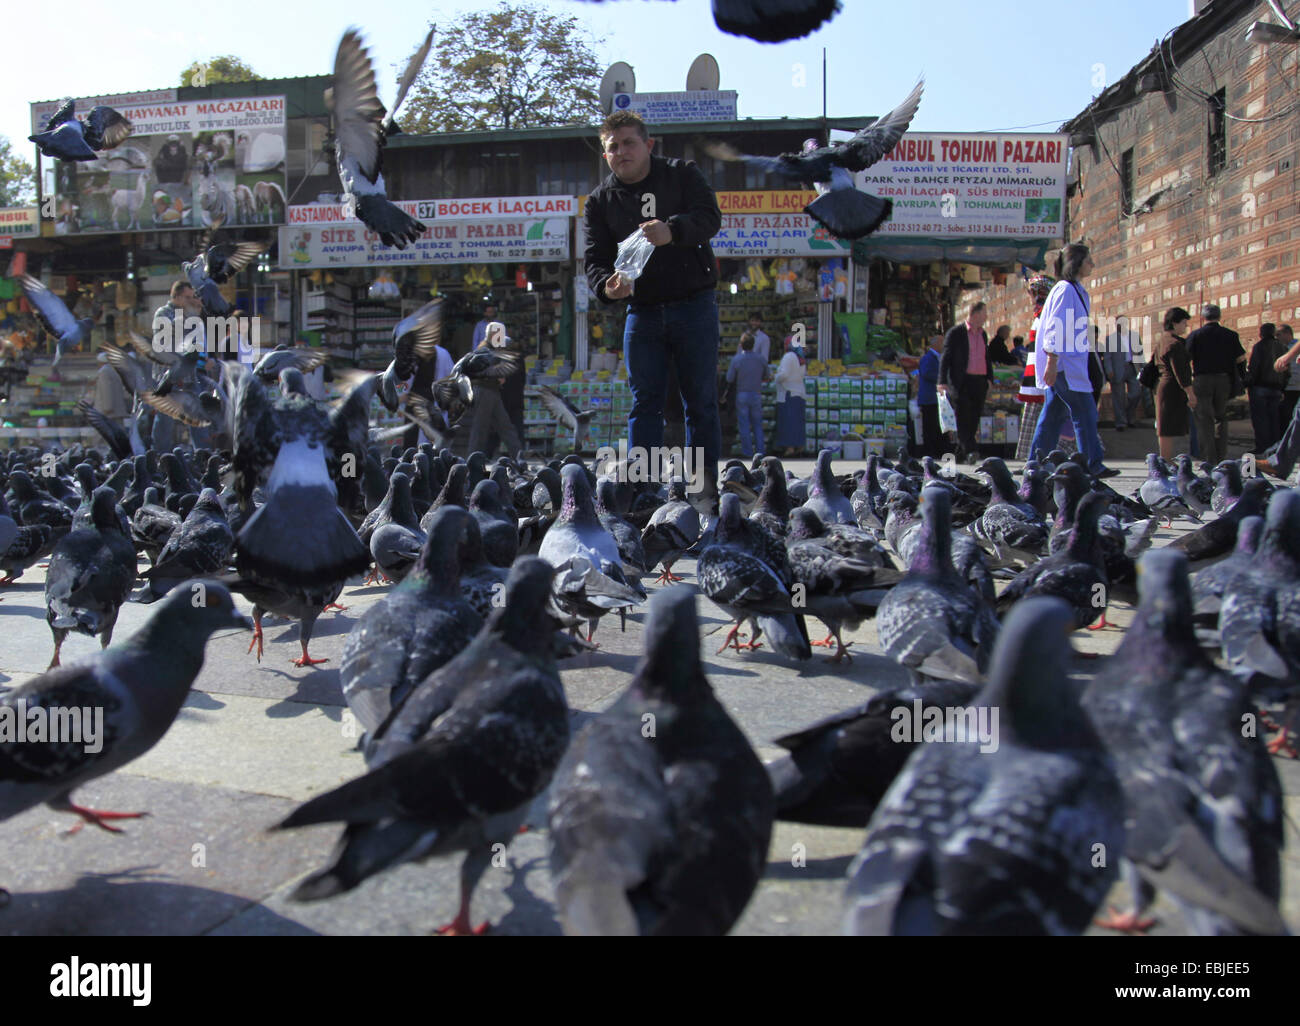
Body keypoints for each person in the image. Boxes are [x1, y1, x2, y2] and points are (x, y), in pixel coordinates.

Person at [584, 108, 723, 503]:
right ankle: (644, 495)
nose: (621, 152)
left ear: (648, 145)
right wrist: (606, 288)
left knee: (699, 401)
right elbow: (594, 259)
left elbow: (710, 218)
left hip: (693, 305)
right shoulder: (599, 201)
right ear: (605, 155)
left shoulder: (682, 174)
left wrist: (673, 230)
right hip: (641, 313)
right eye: (612, 147)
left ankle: (703, 492)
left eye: (629, 143)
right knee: (644, 403)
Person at [1028, 244, 1118, 476]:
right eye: (1089, 260)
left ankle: (1036, 464)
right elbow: (1055, 327)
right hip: (1064, 365)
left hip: (1067, 363)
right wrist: (1052, 362)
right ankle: (1091, 464)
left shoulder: (1075, 290)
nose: (1093, 265)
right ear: (1076, 263)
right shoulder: (1066, 290)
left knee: (1053, 415)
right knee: (1085, 412)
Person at [1185, 303, 1245, 464]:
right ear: (1219, 317)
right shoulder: (1230, 335)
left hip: (1202, 380)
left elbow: (1185, 359)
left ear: (1202, 317)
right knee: (1221, 417)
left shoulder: (1195, 336)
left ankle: (1208, 457)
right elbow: (1240, 359)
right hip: (1223, 380)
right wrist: (1242, 378)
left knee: (1204, 419)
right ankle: (1221, 456)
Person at [150, 280, 204, 451]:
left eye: (192, 296)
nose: (191, 300)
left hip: (188, 374)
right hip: (168, 374)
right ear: (178, 297)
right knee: (165, 419)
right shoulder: (163, 313)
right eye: (188, 297)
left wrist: (204, 359)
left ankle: (203, 454)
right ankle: (159, 456)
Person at [937, 300, 993, 463]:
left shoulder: (983, 334)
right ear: (975, 314)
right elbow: (945, 357)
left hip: (980, 380)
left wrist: (990, 378)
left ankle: (960, 452)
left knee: (974, 416)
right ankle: (971, 450)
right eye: (984, 313)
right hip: (961, 380)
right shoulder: (956, 333)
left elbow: (986, 357)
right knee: (963, 416)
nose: (986, 317)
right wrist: (942, 381)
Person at [466, 322, 523, 458]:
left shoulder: (490, 348)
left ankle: (520, 458)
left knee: (505, 427)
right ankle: (472, 461)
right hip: (484, 391)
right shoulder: (484, 349)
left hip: (491, 392)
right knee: (480, 429)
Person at [1015, 275, 1055, 461]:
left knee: (1043, 418)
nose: (1029, 296)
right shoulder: (1039, 314)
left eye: (1031, 292)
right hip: (1034, 373)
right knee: (1033, 418)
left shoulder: (1046, 314)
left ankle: (1036, 457)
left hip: (1041, 372)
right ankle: (1030, 458)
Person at [1151, 307, 1197, 461]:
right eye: (1183, 323)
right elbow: (1181, 373)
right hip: (1171, 387)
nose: (1185, 326)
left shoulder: (1163, 340)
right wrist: (1190, 393)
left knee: (1165, 426)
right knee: (1167, 428)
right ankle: (1166, 460)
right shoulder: (1174, 344)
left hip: (1163, 385)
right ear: (1175, 323)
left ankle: (1166, 459)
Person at [726, 332, 769, 459]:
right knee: (757, 424)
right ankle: (760, 452)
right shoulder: (760, 359)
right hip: (756, 393)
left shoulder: (737, 359)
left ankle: (747, 452)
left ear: (741, 345)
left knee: (744, 424)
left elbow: (729, 378)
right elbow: (767, 375)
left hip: (742, 394)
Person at [1246, 322, 1287, 454]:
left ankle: (1262, 447)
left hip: (1260, 387)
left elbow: (1254, 367)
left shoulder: (1259, 346)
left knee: (1261, 420)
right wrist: (1282, 387)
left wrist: (1249, 383)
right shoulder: (1282, 347)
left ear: (1261, 333)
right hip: (1276, 388)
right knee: (1274, 419)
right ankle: (1274, 447)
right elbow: (1287, 371)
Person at [1102, 314, 1142, 431]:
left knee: (1136, 393)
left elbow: (1140, 354)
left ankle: (1130, 417)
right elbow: (1107, 356)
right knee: (1118, 397)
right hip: (1117, 370)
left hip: (1132, 368)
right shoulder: (1111, 339)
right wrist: (1109, 370)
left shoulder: (1134, 336)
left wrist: (1143, 368)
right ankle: (1121, 422)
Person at [773, 335, 807, 458]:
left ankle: (790, 449)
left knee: (788, 422)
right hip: (799, 392)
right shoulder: (801, 358)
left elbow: (784, 375)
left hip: (788, 392)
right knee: (797, 422)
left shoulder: (789, 356)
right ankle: (799, 447)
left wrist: (776, 377)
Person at [916, 335, 944, 457]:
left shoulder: (938, 357)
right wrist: (942, 379)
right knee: (929, 426)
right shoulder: (928, 358)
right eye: (943, 342)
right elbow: (927, 373)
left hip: (934, 397)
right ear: (936, 344)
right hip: (929, 397)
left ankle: (936, 449)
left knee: (936, 425)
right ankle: (929, 451)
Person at [91, 351, 129, 424]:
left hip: (107, 412)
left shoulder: (104, 372)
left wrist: (107, 408)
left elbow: (106, 390)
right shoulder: (114, 370)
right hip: (117, 410)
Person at [1279, 324, 1300, 428]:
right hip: (1288, 387)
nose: (1277, 337)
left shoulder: (1295, 347)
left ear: (1288, 334)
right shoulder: (1282, 347)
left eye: (1279, 334)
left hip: (1294, 386)